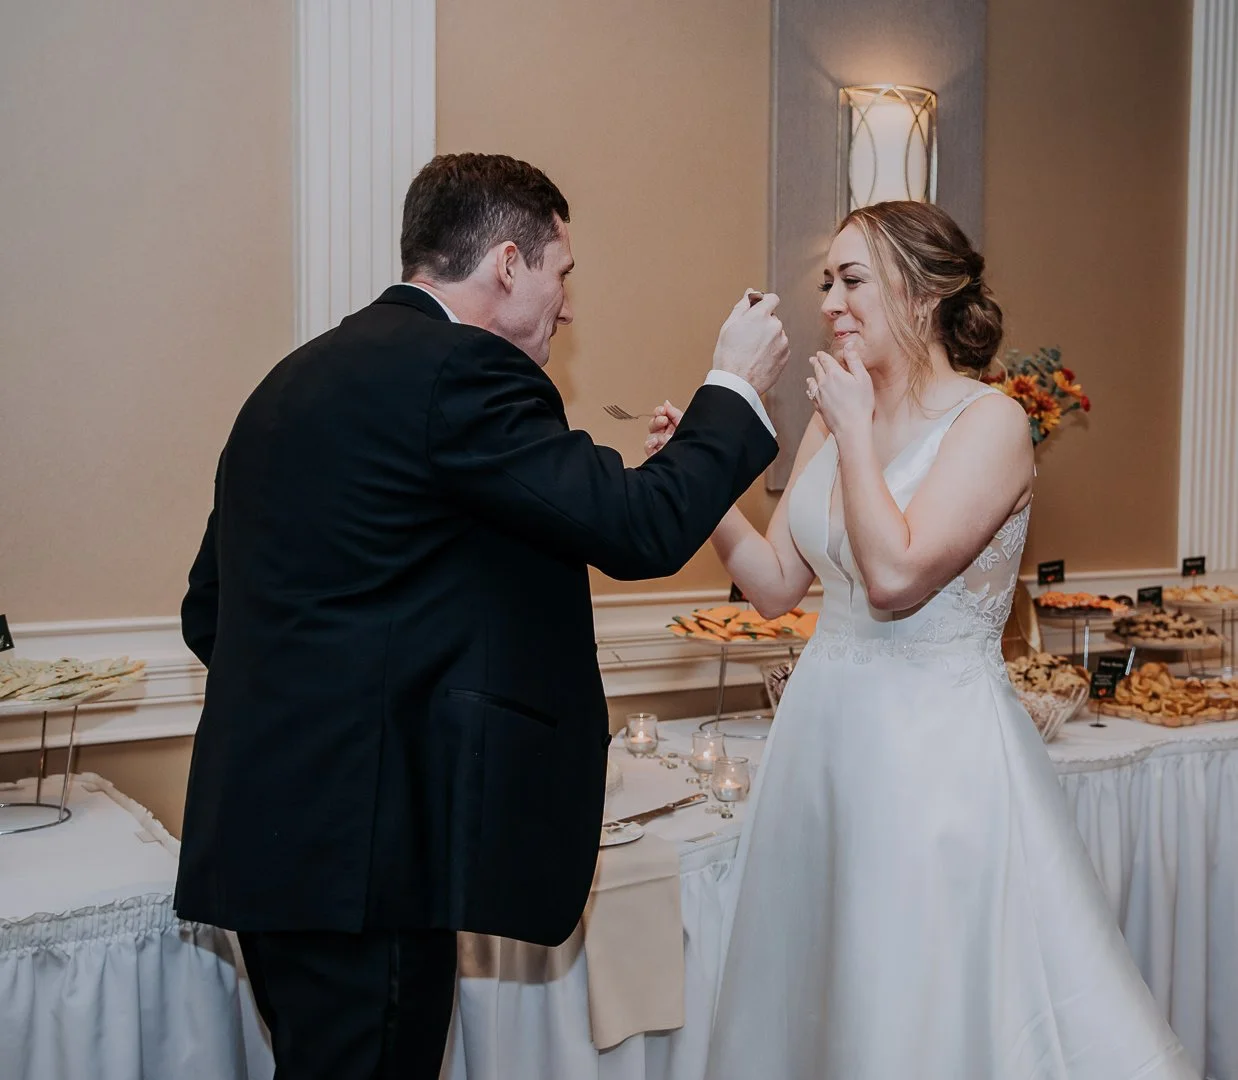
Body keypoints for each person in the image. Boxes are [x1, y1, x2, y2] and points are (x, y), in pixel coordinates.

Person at [175, 152, 789, 1080]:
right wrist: (732, 387)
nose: (568, 305)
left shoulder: (292, 381)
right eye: (561, 272)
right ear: (508, 264)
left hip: (273, 841)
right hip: (368, 859)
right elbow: (637, 528)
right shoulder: (459, 371)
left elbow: (209, 612)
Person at [647, 201, 1198, 1078]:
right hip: (822, 746)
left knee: (920, 993)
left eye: (853, 279)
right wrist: (700, 475)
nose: (830, 301)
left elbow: (898, 577)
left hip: (936, 757)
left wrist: (858, 432)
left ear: (926, 292)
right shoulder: (837, 419)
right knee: (827, 991)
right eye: (827, 281)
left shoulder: (991, 424)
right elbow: (775, 585)